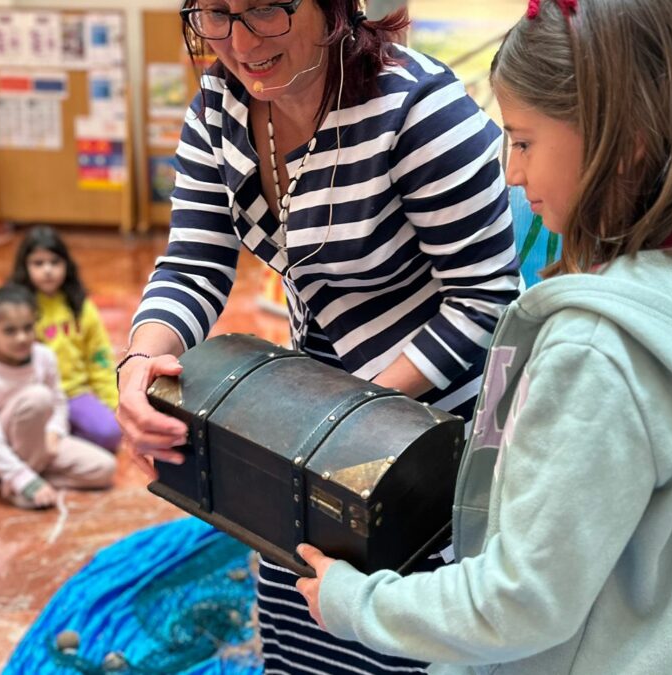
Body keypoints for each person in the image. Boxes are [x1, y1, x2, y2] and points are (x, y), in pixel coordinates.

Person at [294, 0, 672, 673]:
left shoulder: (595, 350)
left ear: (628, 141)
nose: (512, 171)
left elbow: (519, 599)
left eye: (524, 141)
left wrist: (358, 603)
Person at [115, 0, 521, 672]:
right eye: (215, 13)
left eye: (266, 9)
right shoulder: (220, 108)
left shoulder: (420, 113)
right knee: (306, 611)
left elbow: (487, 300)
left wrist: (346, 420)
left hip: (438, 424)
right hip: (319, 414)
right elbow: (193, 263)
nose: (240, 43)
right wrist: (142, 357)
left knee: (405, 635)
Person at [0, 285, 116, 510]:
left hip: (41, 444)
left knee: (105, 468)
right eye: (10, 331)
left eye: (28, 328)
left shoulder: (44, 356)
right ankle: (19, 479)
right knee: (38, 398)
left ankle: (25, 480)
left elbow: (59, 402)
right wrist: (19, 475)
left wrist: (55, 432)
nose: (22, 337)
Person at [10, 227, 122, 454]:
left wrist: (114, 404)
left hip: (73, 394)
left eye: (54, 262)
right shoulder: (17, 309)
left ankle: (66, 432)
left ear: (66, 265)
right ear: (25, 267)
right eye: (38, 263)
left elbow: (98, 357)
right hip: (33, 398)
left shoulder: (81, 306)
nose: (48, 270)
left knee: (111, 433)